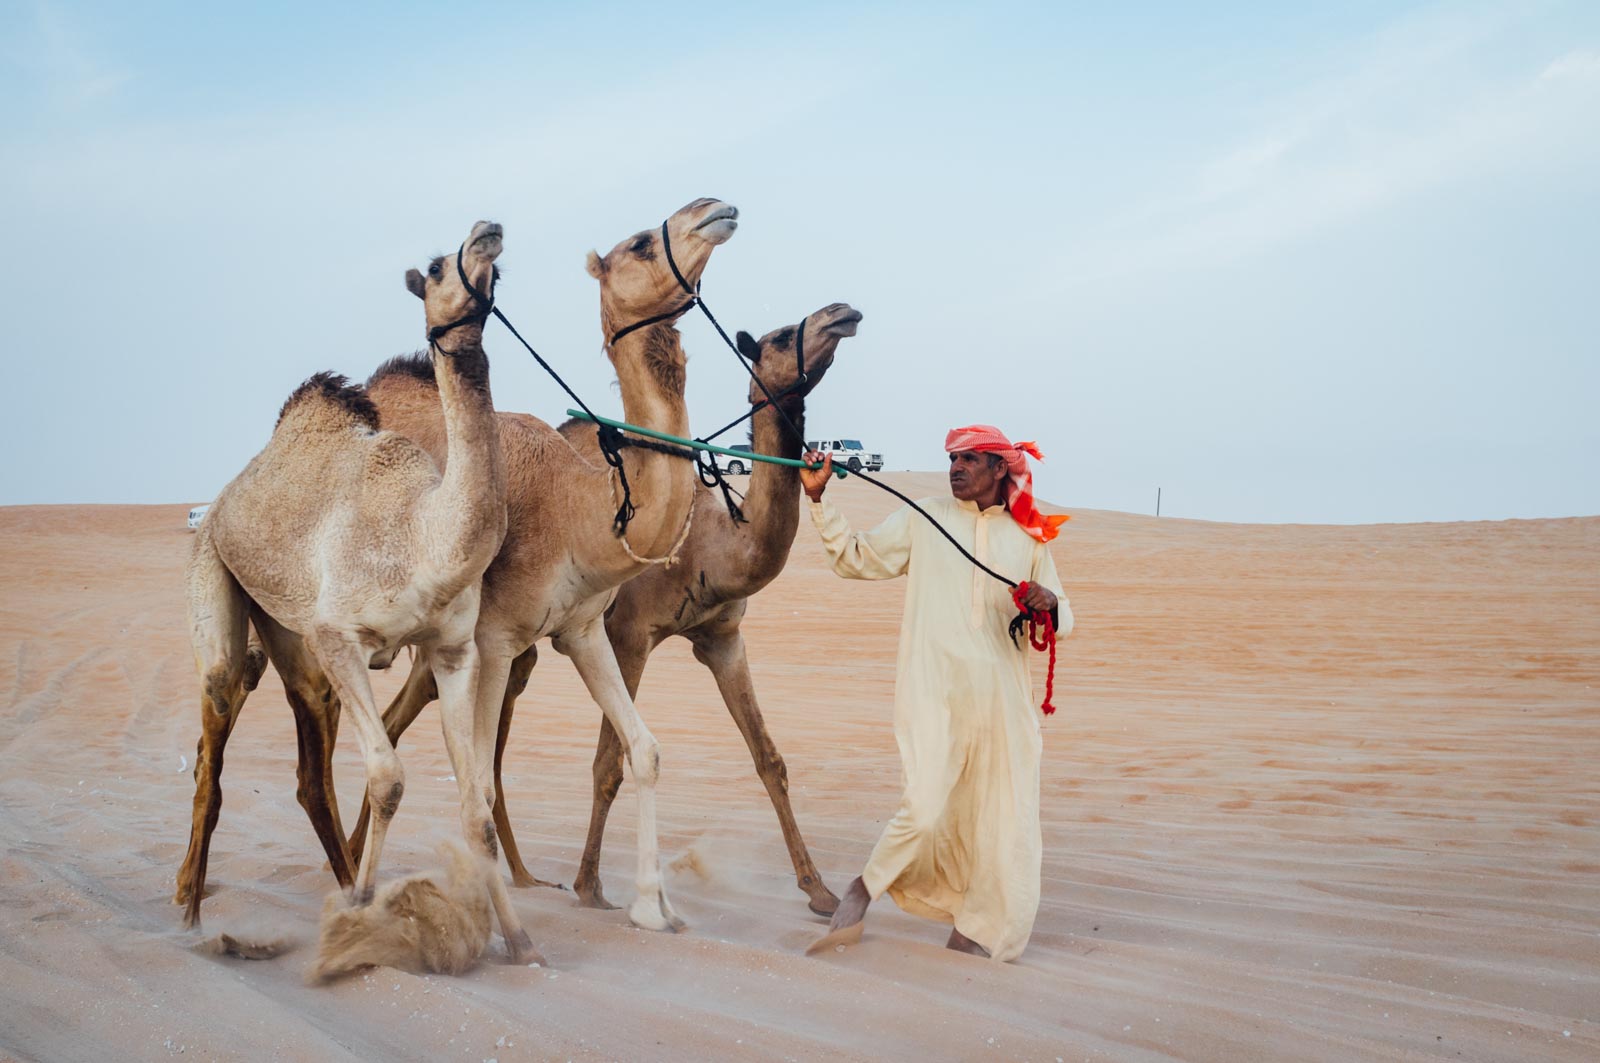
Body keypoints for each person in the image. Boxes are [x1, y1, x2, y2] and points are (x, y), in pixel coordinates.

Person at [801, 425, 1072, 961]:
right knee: (924, 807)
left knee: (1001, 818)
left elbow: (1063, 618)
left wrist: (1048, 602)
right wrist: (819, 500)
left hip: (1003, 703)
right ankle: (864, 887)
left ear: (1000, 469)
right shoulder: (923, 518)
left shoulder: (1030, 538)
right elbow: (854, 558)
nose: (956, 468)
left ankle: (976, 928)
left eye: (970, 459)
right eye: (952, 458)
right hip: (932, 692)